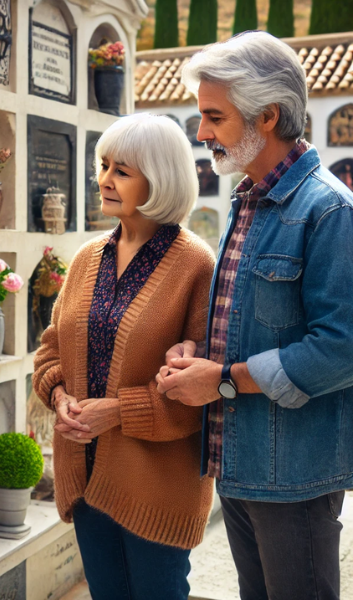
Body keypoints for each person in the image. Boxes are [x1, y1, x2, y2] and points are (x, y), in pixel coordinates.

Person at [156, 31, 353, 600]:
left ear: (267, 115)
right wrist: (202, 355)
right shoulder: (249, 201)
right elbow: (252, 323)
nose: (201, 133)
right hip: (240, 466)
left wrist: (221, 380)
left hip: (293, 476)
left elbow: (341, 347)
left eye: (214, 116)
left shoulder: (329, 211)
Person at [33, 113, 216, 600]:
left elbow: (201, 389)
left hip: (157, 486)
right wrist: (59, 397)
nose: (104, 179)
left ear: (158, 179)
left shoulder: (196, 265)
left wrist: (115, 412)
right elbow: (50, 346)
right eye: (104, 165)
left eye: (122, 171)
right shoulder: (86, 258)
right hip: (85, 475)